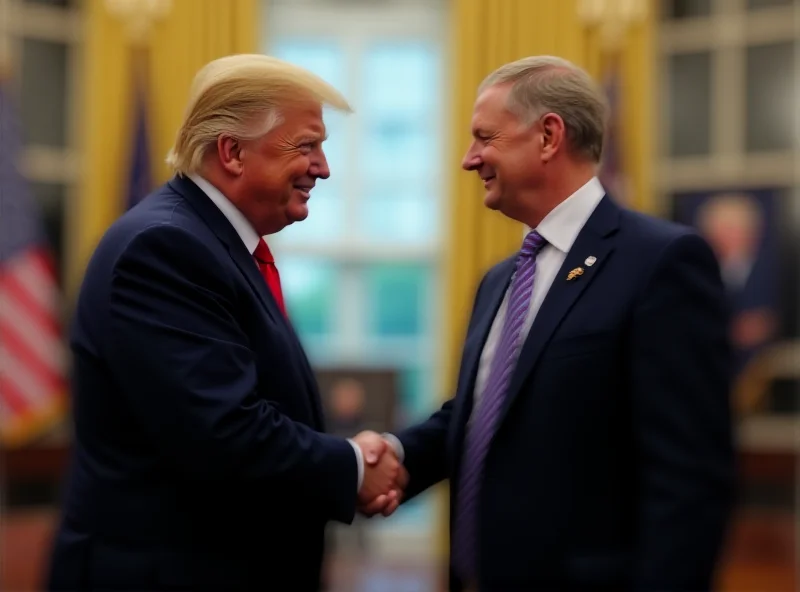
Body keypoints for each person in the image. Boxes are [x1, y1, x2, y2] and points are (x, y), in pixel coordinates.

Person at [372, 55, 736, 591]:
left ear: (547, 136)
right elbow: (483, 416)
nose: (468, 160)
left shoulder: (662, 263)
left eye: (484, 137)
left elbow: (689, 480)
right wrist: (396, 455)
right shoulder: (498, 280)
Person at [46, 54, 404, 591]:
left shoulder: (216, 245)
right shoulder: (166, 249)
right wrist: (352, 465)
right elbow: (226, 433)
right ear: (232, 152)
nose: (324, 167)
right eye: (306, 145)